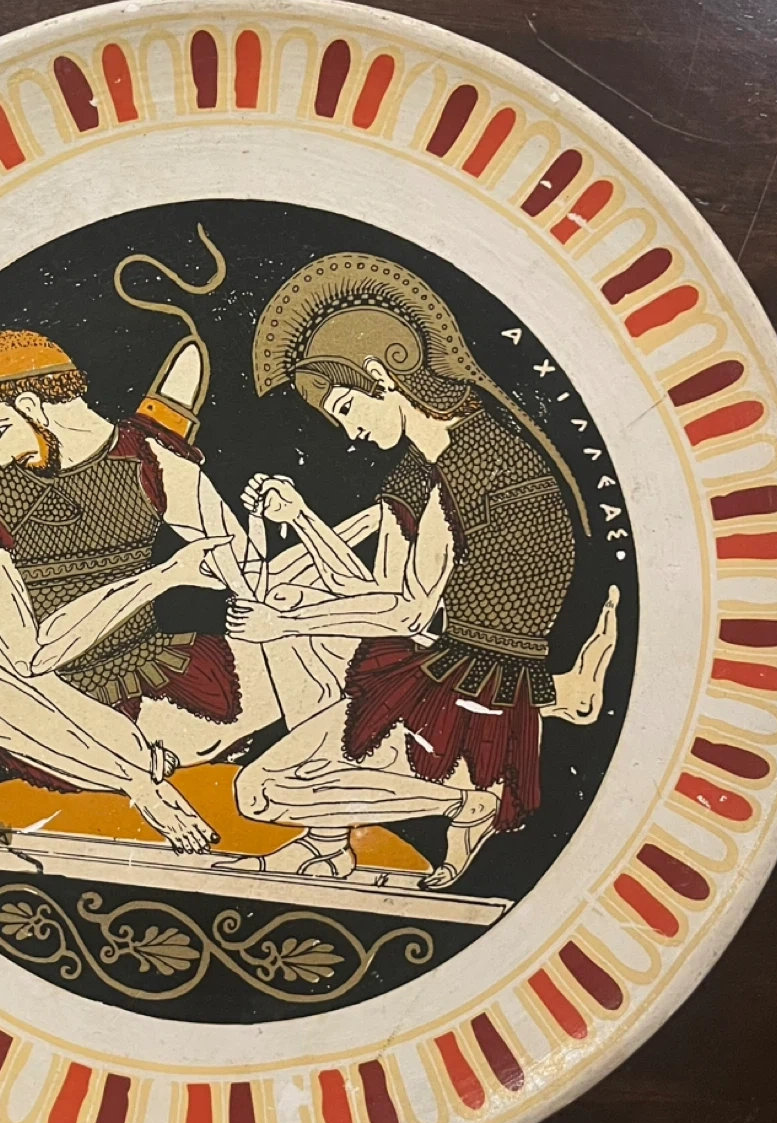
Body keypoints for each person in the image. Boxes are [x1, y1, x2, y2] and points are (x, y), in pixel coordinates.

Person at [226, 255, 618, 889]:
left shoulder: (486, 460)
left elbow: (406, 609)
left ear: (383, 376)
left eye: (347, 408)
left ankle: (467, 801)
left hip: (472, 685)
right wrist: (300, 519)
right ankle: (332, 844)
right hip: (434, 657)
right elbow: (375, 588)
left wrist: (287, 620)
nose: (350, 432)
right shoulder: (422, 461)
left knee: (262, 791)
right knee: (299, 625)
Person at [0, 328, 278, 854]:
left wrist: (263, 532)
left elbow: (247, 574)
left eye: (0, 432)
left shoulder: (146, 456)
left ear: (32, 405)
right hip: (59, 715)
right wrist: (162, 576)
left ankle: (153, 767)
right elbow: (29, 656)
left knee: (316, 615)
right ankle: (139, 784)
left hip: (175, 688)